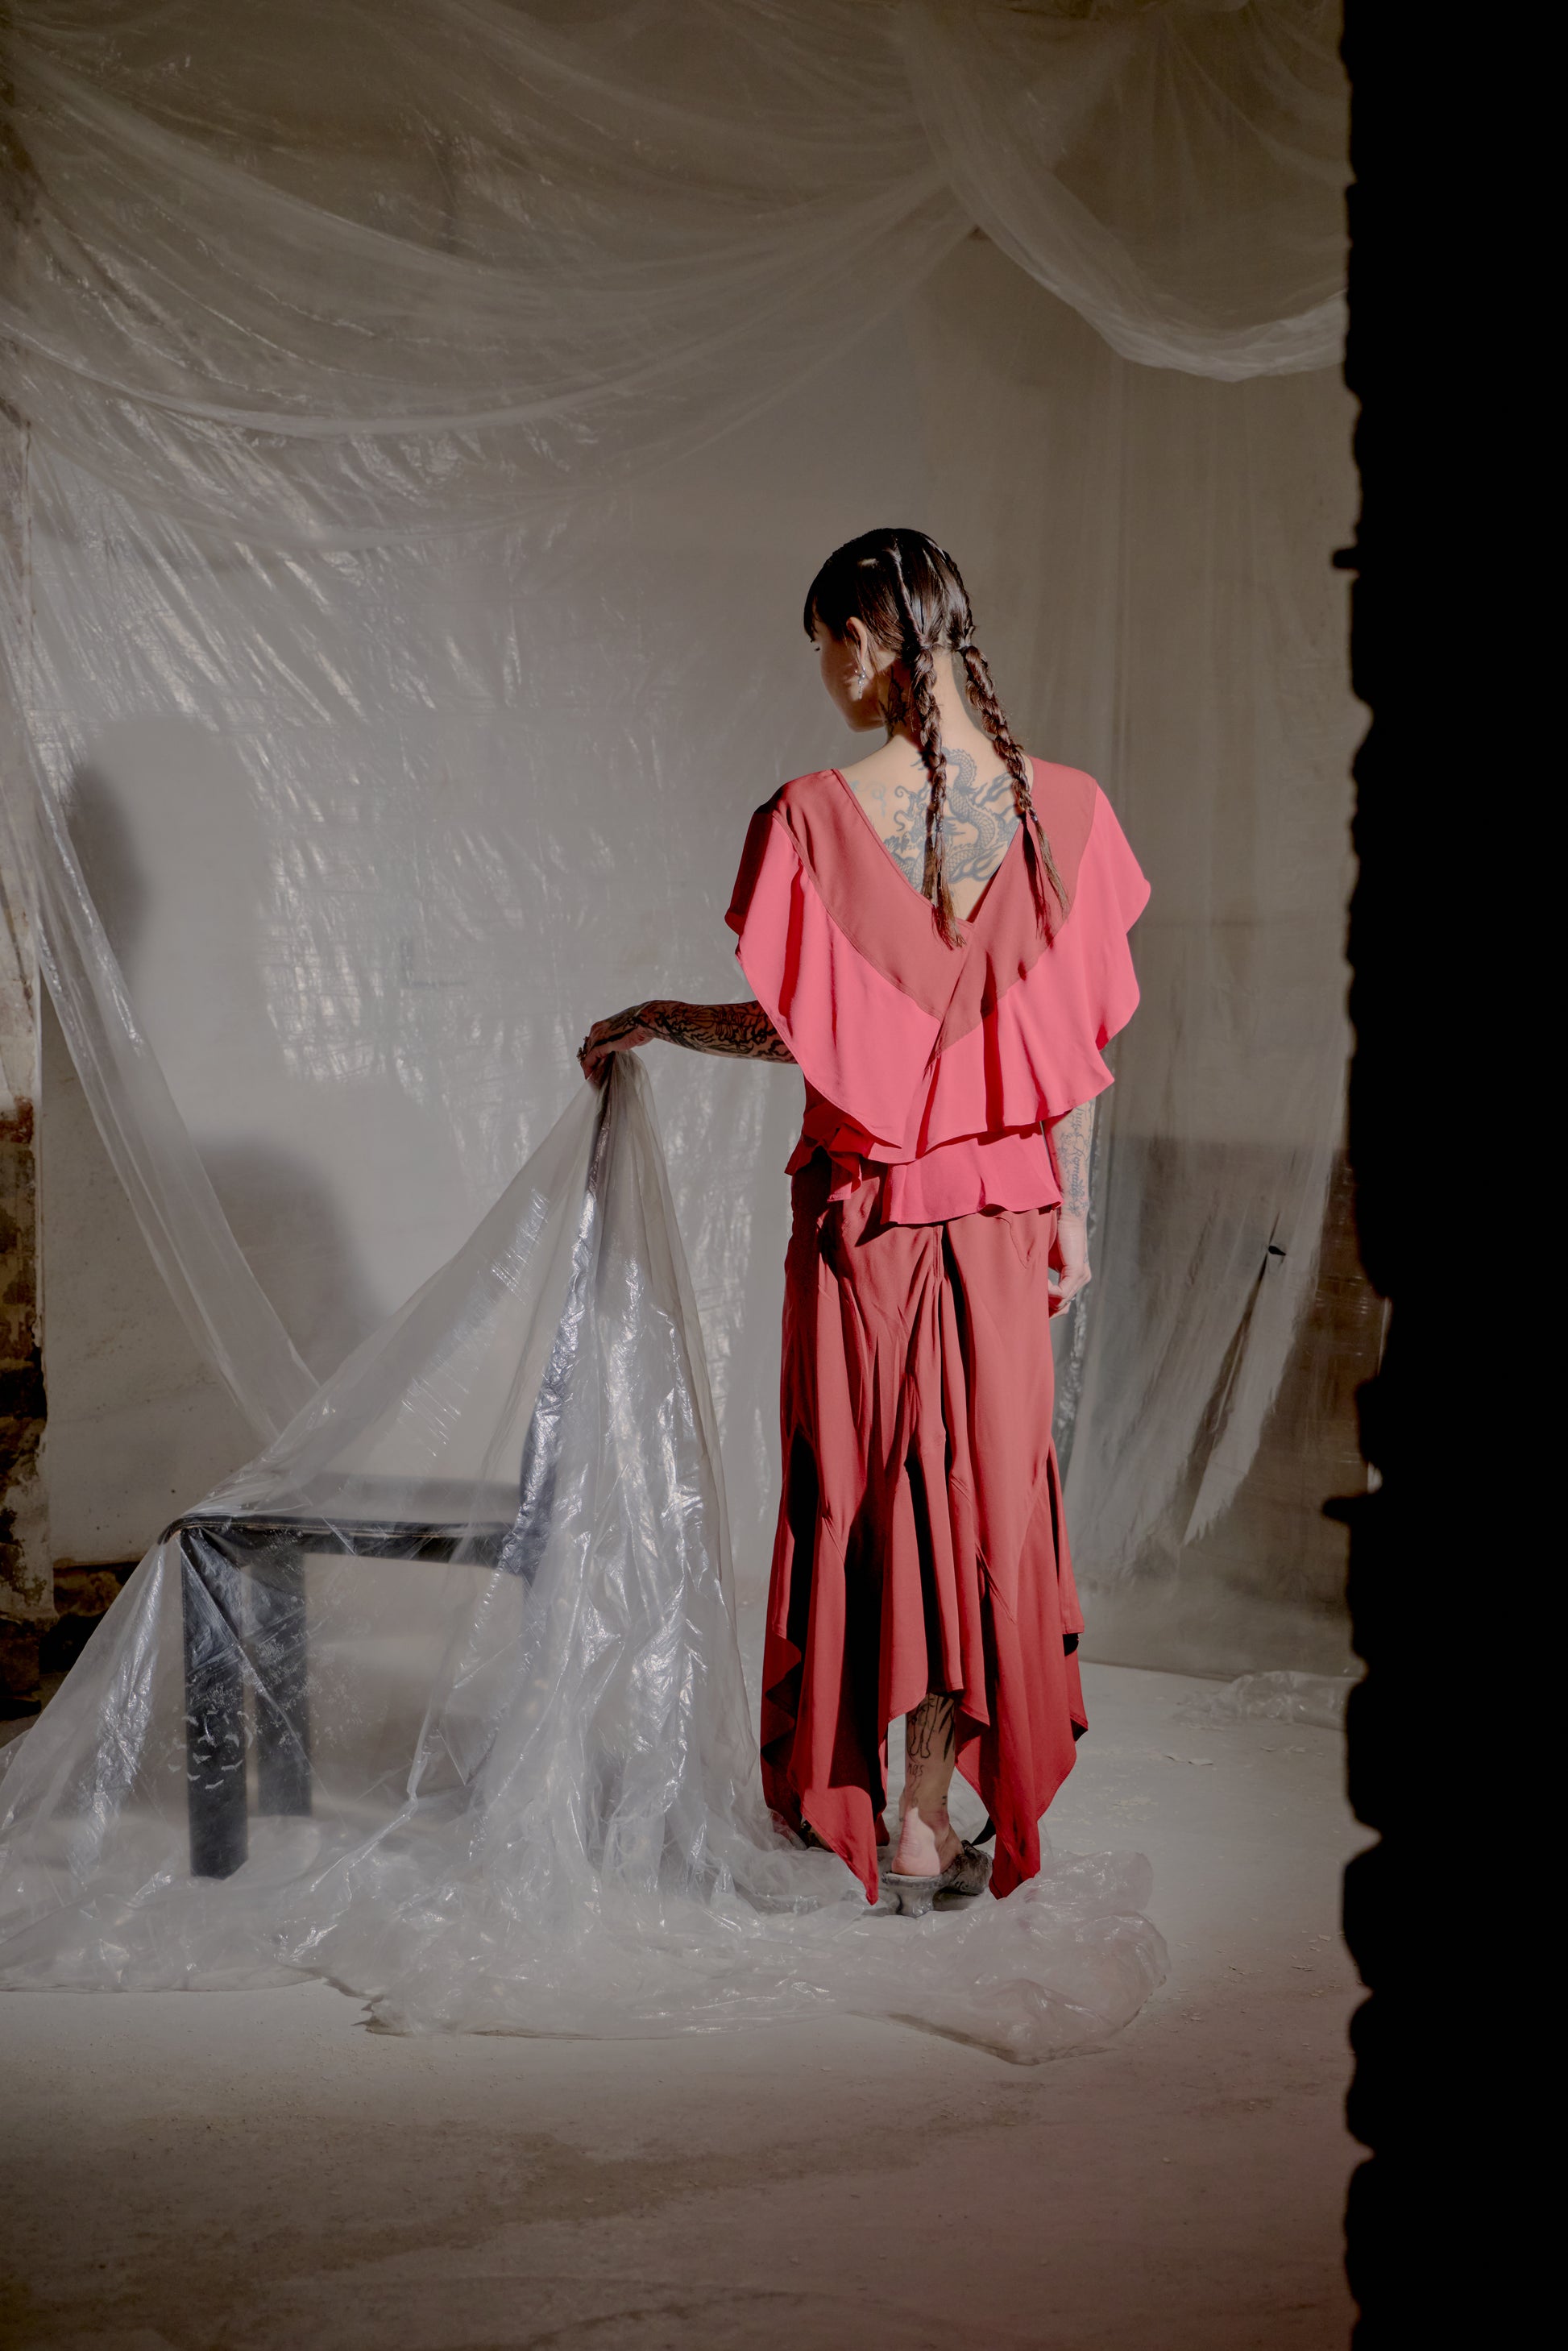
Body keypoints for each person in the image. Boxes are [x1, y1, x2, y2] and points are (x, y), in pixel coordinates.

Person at [580, 527, 1147, 1912]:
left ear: (866, 639)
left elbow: (799, 1035)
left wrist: (654, 1015)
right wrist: (1066, 1208)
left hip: (864, 1221)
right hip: (1009, 1214)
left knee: (860, 1500)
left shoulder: (812, 815)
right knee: (980, 1508)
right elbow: (1064, 1042)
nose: (823, 675)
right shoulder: (1068, 809)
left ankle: (884, 1807)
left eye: (824, 645)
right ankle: (920, 1813)